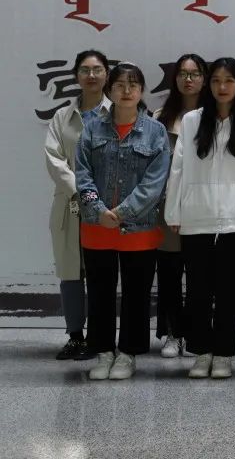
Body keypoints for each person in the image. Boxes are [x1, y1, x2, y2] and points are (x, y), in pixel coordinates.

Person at [165, 57, 235, 380]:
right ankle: (201, 351)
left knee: (227, 291)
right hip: (196, 217)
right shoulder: (192, 121)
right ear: (209, 85)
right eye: (216, 81)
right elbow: (178, 168)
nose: (222, 87)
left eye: (229, 81)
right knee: (197, 289)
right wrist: (174, 211)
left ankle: (223, 353)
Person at [75, 63, 170, 380]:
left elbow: (155, 184)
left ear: (142, 91)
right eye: (120, 85)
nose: (127, 91)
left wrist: (121, 213)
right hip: (96, 226)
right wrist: (98, 209)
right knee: (99, 293)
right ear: (109, 89)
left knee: (136, 294)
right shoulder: (91, 128)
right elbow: (82, 175)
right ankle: (103, 352)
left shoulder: (155, 132)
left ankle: (128, 353)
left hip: (139, 229)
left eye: (133, 85)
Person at [44, 49, 110, 361]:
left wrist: (96, 199)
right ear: (76, 76)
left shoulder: (117, 112)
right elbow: (54, 159)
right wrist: (82, 192)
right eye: (85, 70)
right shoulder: (62, 117)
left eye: (97, 69)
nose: (91, 75)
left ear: (107, 74)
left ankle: (99, 337)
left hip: (106, 207)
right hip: (71, 206)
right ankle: (74, 336)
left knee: (102, 274)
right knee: (71, 272)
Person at [153, 53, 208, 358]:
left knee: (200, 274)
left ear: (204, 78)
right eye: (183, 74)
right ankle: (173, 333)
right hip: (169, 205)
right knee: (170, 273)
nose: (189, 79)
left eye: (195, 73)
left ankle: (197, 332)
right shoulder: (161, 116)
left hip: (204, 205)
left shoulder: (214, 115)